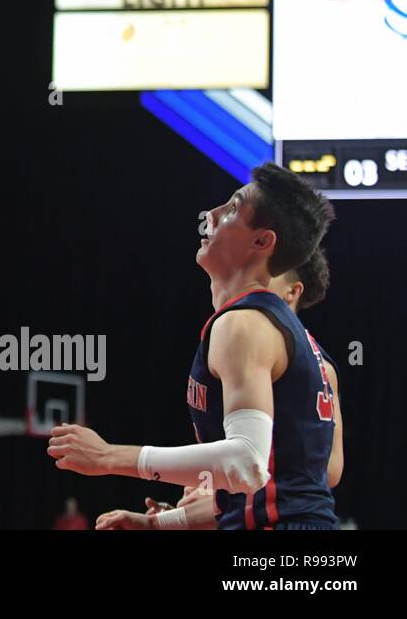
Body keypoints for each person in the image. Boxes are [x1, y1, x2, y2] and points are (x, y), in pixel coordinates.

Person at [49, 163, 338, 529]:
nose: (212, 215)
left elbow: (247, 463)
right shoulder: (274, 330)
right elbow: (287, 484)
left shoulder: (244, 323)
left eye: (233, 208)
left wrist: (109, 456)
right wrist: (159, 523)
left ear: (262, 242)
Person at [96, 248, 343, 529]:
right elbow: (324, 474)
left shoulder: (250, 328)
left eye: (267, 272)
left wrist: (109, 456)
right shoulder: (323, 365)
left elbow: (251, 467)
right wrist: (170, 519)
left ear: (292, 291)